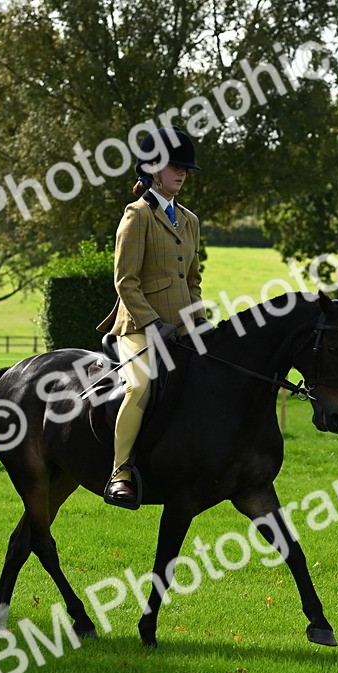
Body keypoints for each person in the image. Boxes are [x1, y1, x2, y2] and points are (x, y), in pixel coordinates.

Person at [96, 127, 205, 507]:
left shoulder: (189, 220)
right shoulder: (136, 215)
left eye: (186, 169)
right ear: (154, 169)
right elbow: (125, 281)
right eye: (177, 167)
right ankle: (121, 472)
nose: (183, 174)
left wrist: (199, 320)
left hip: (181, 326)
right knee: (139, 385)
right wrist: (152, 322)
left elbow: (192, 280)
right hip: (138, 325)